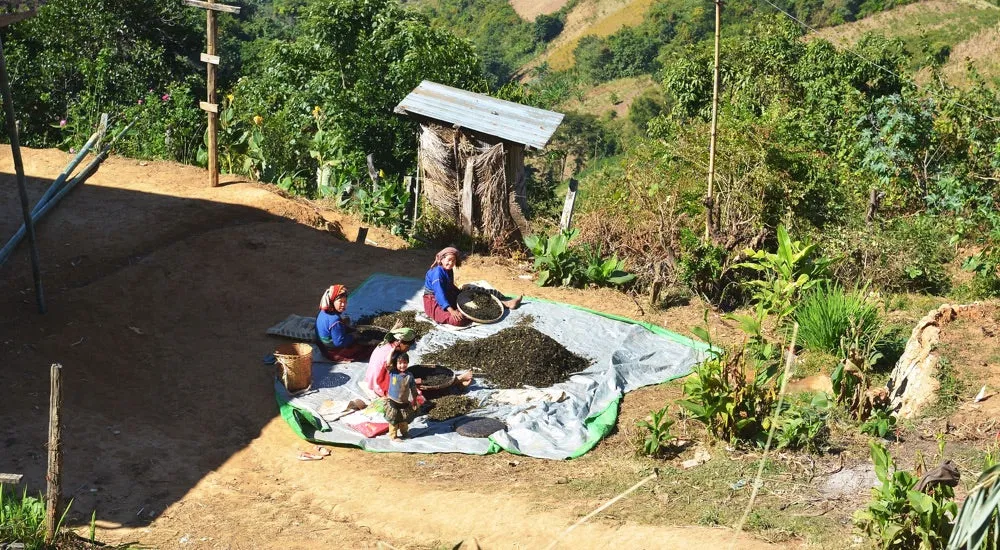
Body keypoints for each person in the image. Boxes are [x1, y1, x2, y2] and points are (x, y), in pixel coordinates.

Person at [423, 246, 522, 326]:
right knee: (458, 320)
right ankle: (463, 313)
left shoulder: (448, 270)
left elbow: (449, 286)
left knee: (475, 296)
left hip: (447, 294)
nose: (451, 263)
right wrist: (452, 310)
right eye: (449, 260)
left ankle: (506, 304)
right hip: (434, 300)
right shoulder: (437, 273)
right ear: (442, 259)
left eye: (453, 261)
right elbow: (439, 293)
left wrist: (460, 293)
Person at [314, 284, 375, 362]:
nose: (343, 304)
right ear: (332, 301)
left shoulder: (323, 311)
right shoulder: (335, 320)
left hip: (322, 346)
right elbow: (339, 342)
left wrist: (349, 329)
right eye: (340, 301)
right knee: (364, 349)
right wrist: (353, 336)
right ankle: (339, 356)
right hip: (331, 351)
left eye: (345, 301)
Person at [362, 326, 416, 400]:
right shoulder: (393, 356)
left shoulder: (384, 343)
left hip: (370, 380)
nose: (408, 349)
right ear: (399, 343)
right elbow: (393, 378)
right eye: (407, 346)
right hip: (379, 386)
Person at [384, 351, 423, 440]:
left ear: (408, 363)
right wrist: (392, 350)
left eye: (405, 363)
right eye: (400, 363)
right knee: (393, 421)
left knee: (404, 420)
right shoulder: (392, 372)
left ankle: (405, 433)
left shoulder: (409, 376)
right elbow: (388, 362)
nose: (402, 365)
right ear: (396, 364)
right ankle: (393, 436)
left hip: (404, 402)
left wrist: (414, 400)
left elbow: (413, 388)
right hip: (393, 401)